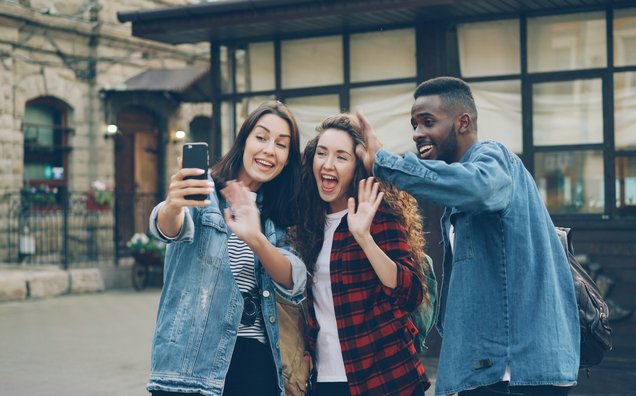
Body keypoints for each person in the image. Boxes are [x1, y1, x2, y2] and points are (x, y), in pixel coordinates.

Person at [356, 77, 580, 396]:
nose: (418, 134)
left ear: (463, 122)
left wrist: (385, 163)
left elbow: (479, 187)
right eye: (414, 125)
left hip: (515, 370)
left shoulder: (493, 158)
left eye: (428, 122)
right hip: (493, 369)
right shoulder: (458, 193)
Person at [146, 100, 307, 396]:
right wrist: (173, 205)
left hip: (255, 364)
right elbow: (168, 227)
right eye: (261, 137)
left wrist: (257, 238)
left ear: (287, 158)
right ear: (244, 141)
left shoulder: (280, 215)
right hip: (189, 366)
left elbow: (293, 281)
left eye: (281, 145)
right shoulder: (204, 191)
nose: (269, 150)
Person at [294, 114, 431, 396]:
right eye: (322, 153)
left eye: (341, 157)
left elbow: (412, 292)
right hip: (325, 380)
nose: (328, 164)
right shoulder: (308, 224)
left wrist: (364, 238)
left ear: (357, 166)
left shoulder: (376, 213)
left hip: (385, 378)